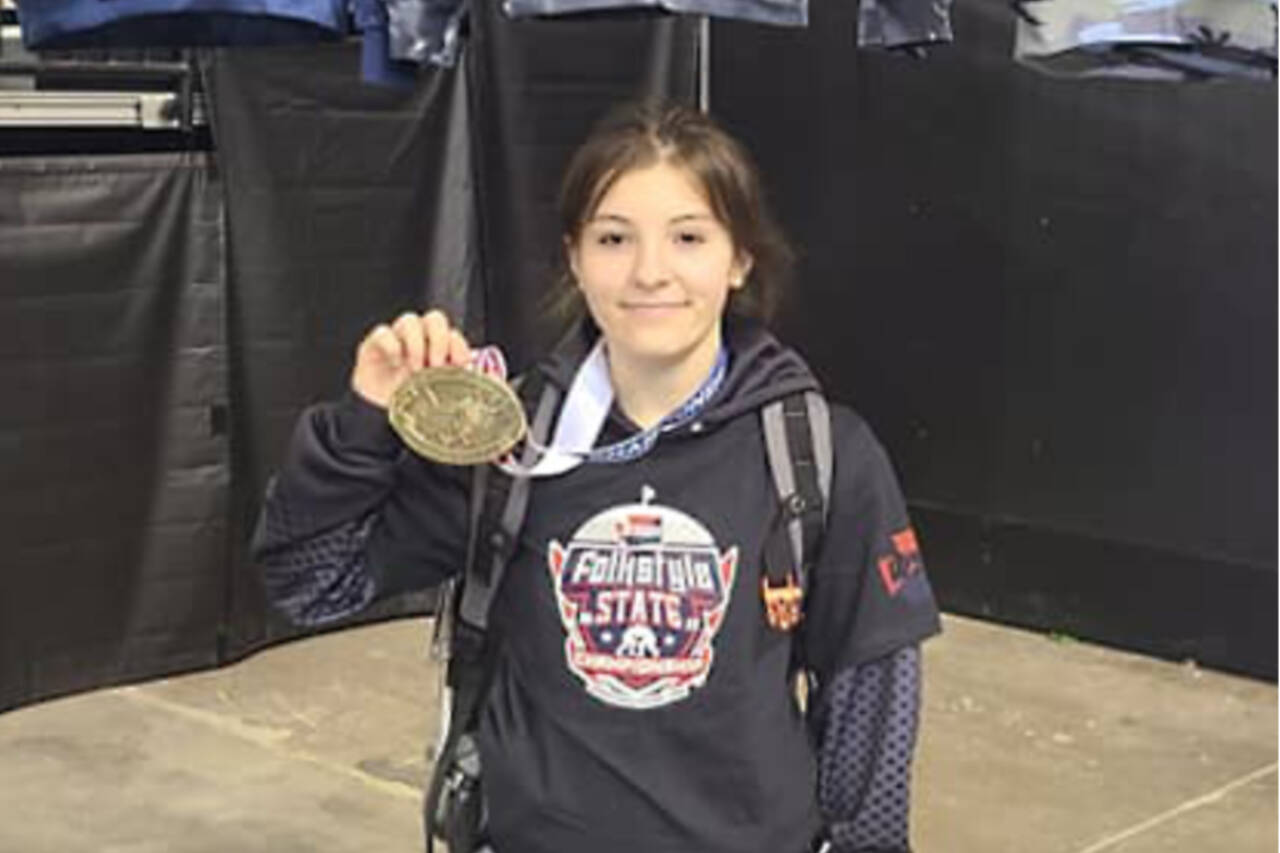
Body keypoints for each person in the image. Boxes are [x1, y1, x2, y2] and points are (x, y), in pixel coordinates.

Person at [251, 100, 942, 853]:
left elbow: (871, 695)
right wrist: (364, 422)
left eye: (688, 237)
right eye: (614, 238)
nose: (650, 272)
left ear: (739, 258)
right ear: (575, 258)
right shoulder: (510, 448)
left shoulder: (820, 453)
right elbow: (311, 583)